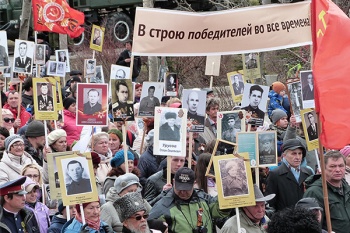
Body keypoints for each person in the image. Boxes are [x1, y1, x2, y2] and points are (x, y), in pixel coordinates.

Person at [149, 167, 230, 233]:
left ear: (194, 183)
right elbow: (148, 226)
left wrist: (228, 190)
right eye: (179, 188)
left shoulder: (204, 198)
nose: (183, 192)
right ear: (173, 182)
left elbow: (220, 211)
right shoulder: (162, 206)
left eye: (186, 189)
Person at [303, 150, 350, 233]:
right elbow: (309, 227)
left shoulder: (346, 188)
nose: (338, 170)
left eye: (341, 165)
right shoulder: (314, 193)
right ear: (323, 169)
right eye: (332, 166)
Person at [265, 139, 313, 212]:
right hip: (285, 220)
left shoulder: (308, 172)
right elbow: (270, 203)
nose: (298, 157)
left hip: (306, 219)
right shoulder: (275, 174)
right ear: (284, 155)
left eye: (300, 153)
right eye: (293, 153)